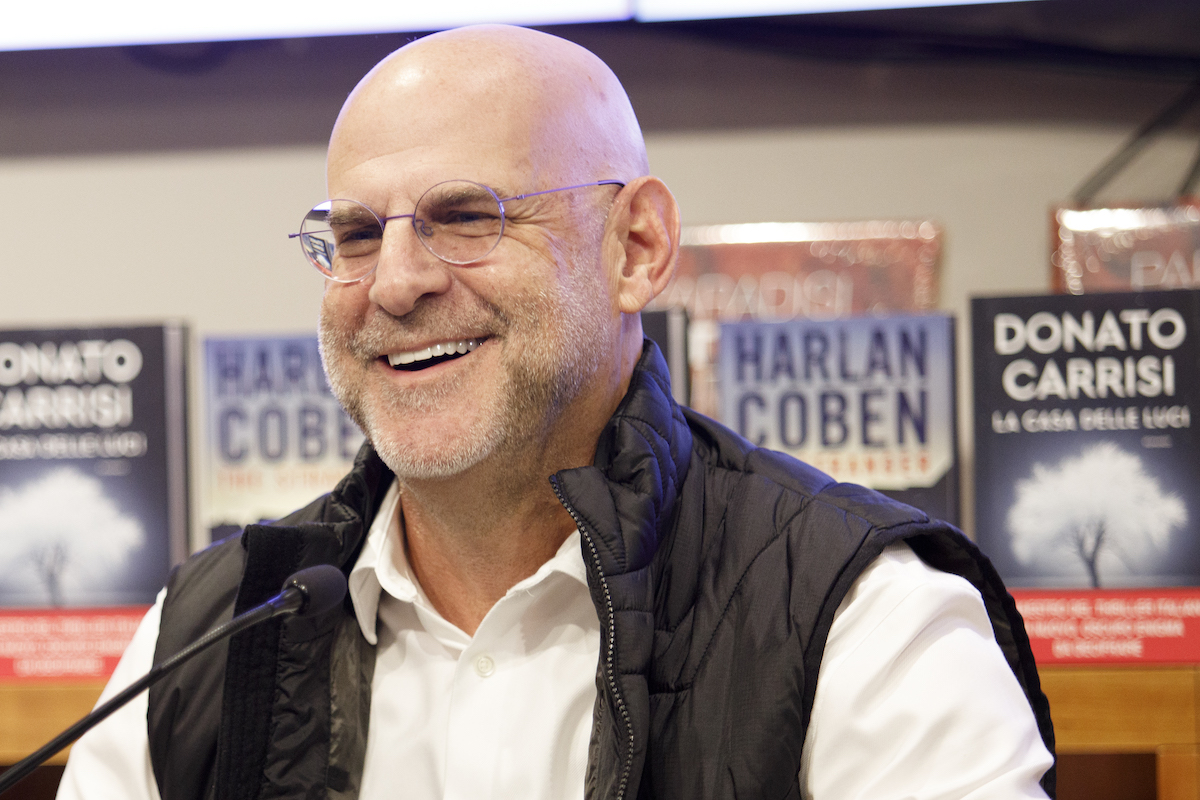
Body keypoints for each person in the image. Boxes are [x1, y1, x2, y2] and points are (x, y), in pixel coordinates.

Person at [57, 24, 1055, 800]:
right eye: (355, 235)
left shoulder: (863, 618)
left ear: (637, 249)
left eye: (465, 216)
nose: (394, 284)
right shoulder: (212, 630)